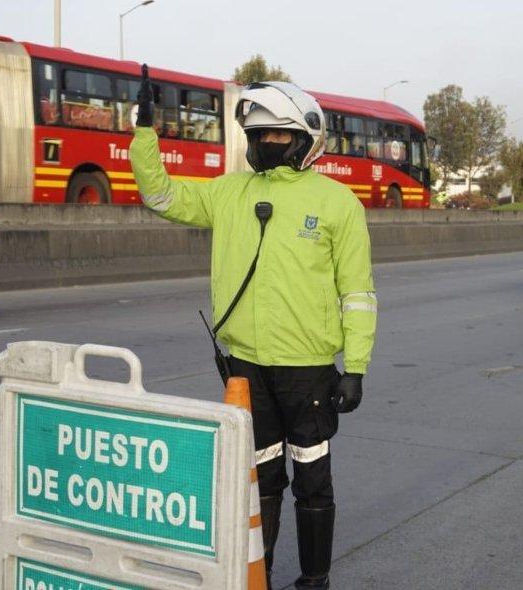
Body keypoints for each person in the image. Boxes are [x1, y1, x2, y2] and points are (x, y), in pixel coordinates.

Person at [129, 70, 376, 590]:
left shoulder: (337, 203)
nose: (266, 143)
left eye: (278, 135)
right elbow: (161, 197)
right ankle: (254, 577)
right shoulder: (228, 192)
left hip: (307, 372)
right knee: (259, 481)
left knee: (311, 479)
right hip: (245, 370)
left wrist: (354, 368)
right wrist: (145, 134)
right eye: (258, 135)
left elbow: (357, 294)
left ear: (306, 139)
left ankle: (314, 580)